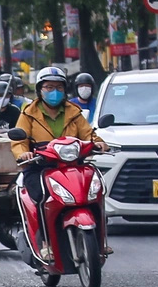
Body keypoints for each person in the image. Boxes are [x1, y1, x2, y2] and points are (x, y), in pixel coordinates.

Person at [10, 65, 106, 203]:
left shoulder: (74, 112)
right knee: (40, 195)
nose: (54, 91)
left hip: (73, 166)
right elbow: (20, 141)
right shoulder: (28, 114)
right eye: (49, 87)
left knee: (94, 190)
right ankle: (41, 224)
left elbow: (88, 134)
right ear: (40, 90)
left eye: (59, 87)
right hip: (40, 166)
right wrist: (23, 153)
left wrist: (98, 143)